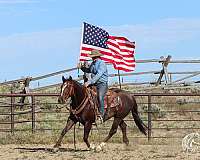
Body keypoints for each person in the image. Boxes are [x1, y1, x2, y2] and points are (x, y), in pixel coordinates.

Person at [78, 50, 108, 119]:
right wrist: (82, 68)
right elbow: (89, 70)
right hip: (94, 83)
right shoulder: (93, 63)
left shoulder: (102, 64)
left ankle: (102, 113)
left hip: (102, 84)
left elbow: (98, 75)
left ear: (97, 57)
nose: (92, 58)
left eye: (93, 57)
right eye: (92, 57)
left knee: (100, 97)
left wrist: (89, 82)